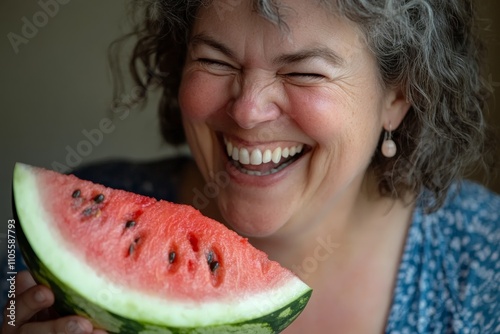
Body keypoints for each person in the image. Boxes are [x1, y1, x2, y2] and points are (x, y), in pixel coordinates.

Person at [3, 0, 499, 333]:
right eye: (216, 62)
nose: (246, 110)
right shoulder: (47, 234)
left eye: (303, 72)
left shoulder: (485, 257)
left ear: (397, 96)